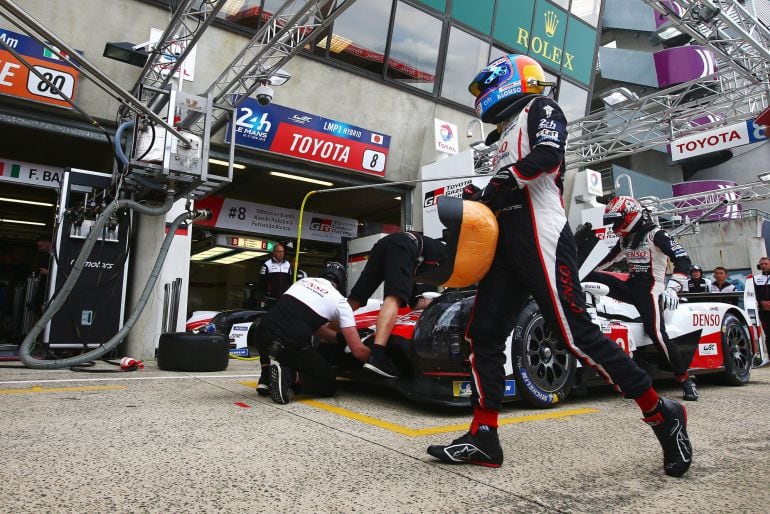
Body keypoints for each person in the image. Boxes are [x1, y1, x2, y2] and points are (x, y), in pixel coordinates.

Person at [427, 54, 692, 477]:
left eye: (485, 86)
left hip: (542, 236)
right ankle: (484, 436)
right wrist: (482, 194)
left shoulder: (541, 108)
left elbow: (548, 157)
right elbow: (507, 181)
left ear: (509, 80)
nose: (481, 97)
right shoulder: (502, 135)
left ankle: (663, 413)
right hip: (507, 243)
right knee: (483, 334)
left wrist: (501, 180)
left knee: (576, 335)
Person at [585, 196, 698, 402]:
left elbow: (683, 260)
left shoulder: (657, 234)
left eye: (617, 220)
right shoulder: (625, 238)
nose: (615, 225)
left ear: (630, 216)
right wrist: (579, 271)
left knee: (656, 333)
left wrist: (673, 289)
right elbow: (607, 261)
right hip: (631, 286)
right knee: (589, 274)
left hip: (652, 291)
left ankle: (685, 380)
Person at [252, 262, 370, 404]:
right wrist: (377, 361)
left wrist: (338, 338)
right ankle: (289, 376)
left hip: (262, 332)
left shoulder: (302, 282)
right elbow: (357, 350)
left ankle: (265, 377)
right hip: (290, 344)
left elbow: (316, 329)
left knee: (273, 334)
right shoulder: (340, 302)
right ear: (341, 283)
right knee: (329, 381)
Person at [347, 232, 446, 378]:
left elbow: (416, 302)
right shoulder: (452, 260)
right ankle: (378, 356)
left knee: (356, 299)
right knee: (394, 297)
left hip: (385, 243)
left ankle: (326, 335)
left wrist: (431, 303)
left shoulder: (418, 260)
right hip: (405, 244)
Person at [255, 243, 293, 394]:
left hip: (284, 301)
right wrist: (263, 298)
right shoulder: (267, 264)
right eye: (278, 252)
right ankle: (266, 373)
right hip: (271, 301)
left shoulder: (288, 265)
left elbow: (290, 281)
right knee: (267, 329)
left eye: (283, 252)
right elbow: (261, 283)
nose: (281, 254)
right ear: (273, 252)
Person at [753, 257, 770, 336]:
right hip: (763, 311)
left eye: (766, 264)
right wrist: (761, 302)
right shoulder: (755, 279)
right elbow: (753, 293)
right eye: (761, 264)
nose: (763, 266)